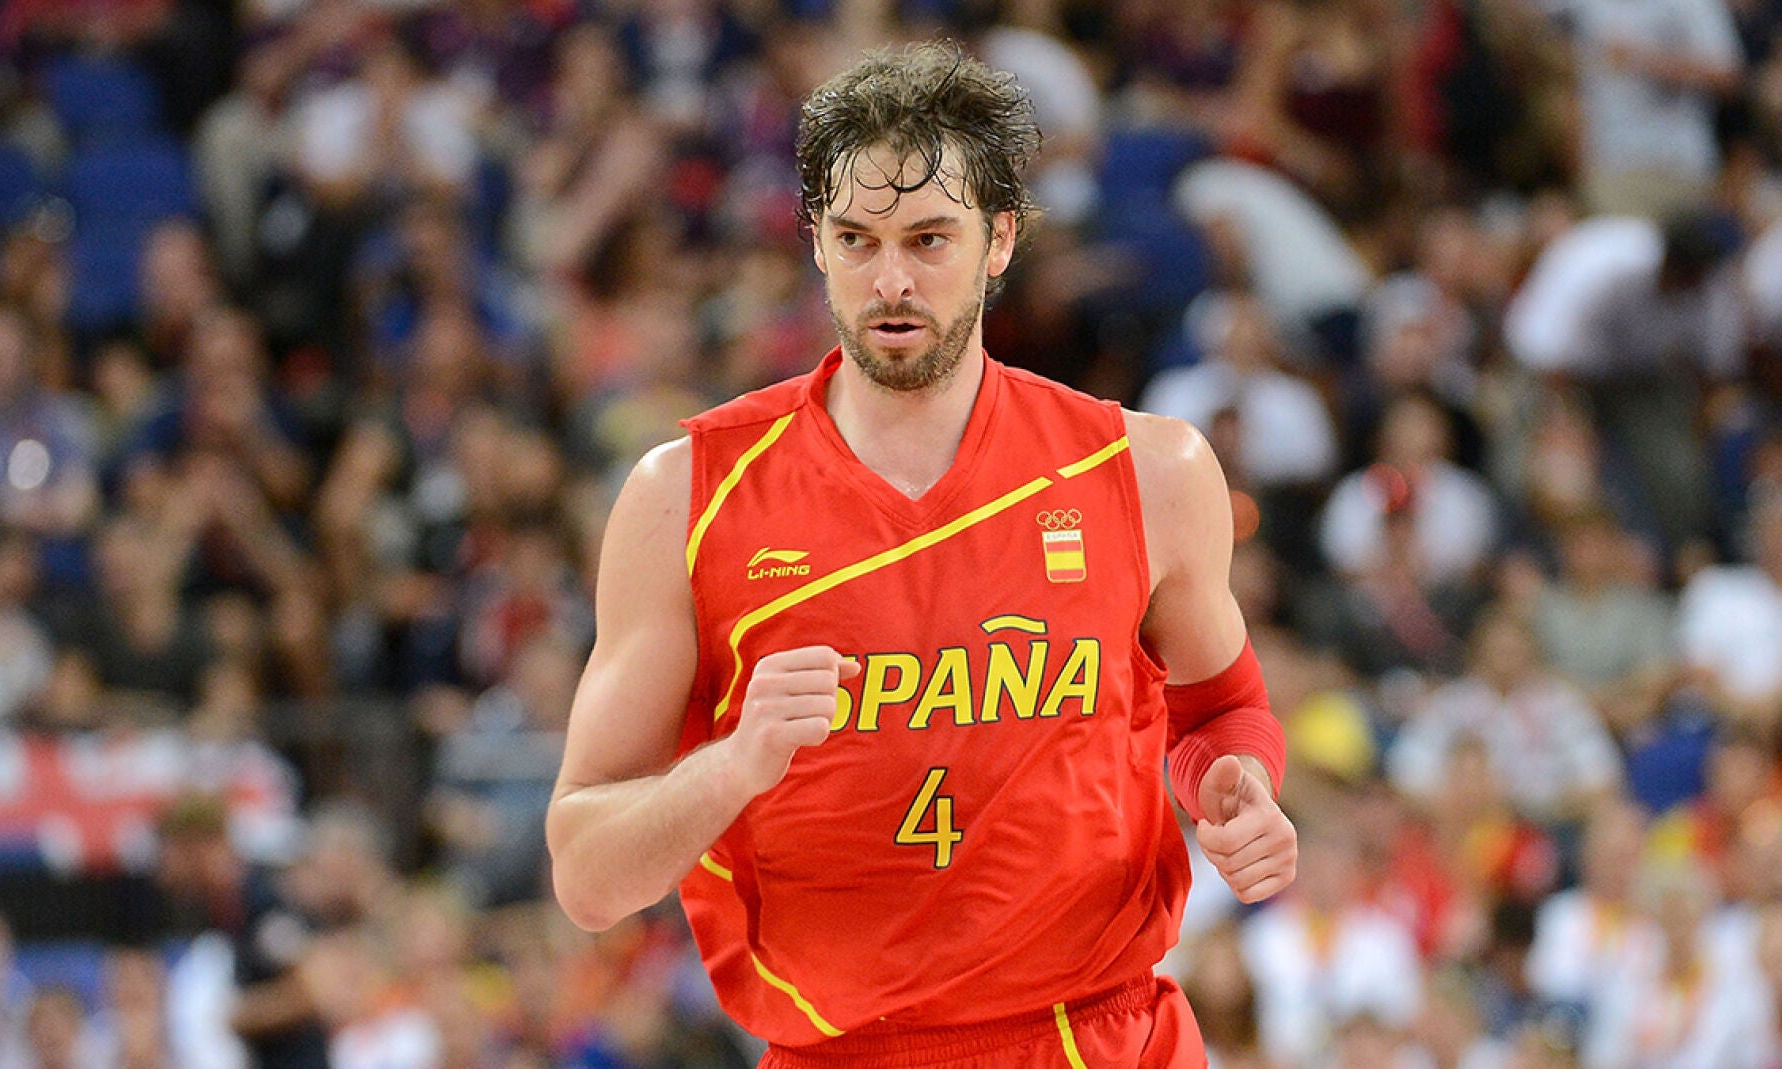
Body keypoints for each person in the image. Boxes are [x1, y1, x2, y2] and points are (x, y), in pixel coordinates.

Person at [546, 40, 1298, 1068]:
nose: (890, 280)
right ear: (814, 241)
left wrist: (1237, 784)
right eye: (856, 239)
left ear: (1000, 240)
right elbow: (586, 876)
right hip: (843, 1050)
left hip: (1100, 1036)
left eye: (928, 239)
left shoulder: (1149, 471)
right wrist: (732, 766)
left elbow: (1218, 710)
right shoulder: (684, 495)